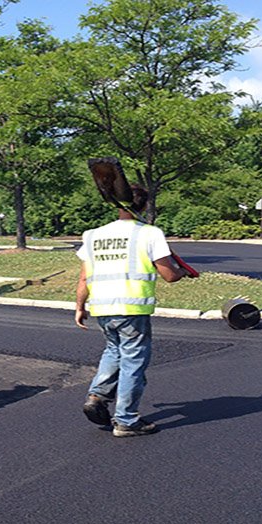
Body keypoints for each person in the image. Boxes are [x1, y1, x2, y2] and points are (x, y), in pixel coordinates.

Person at [75, 185, 188, 438]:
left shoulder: (92, 235)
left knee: (113, 351)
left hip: (102, 307)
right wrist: (182, 272)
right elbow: (169, 274)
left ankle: (97, 396)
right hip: (132, 308)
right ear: (144, 206)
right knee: (133, 363)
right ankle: (126, 420)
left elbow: (83, 278)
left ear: (116, 205)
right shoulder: (150, 233)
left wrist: (80, 306)